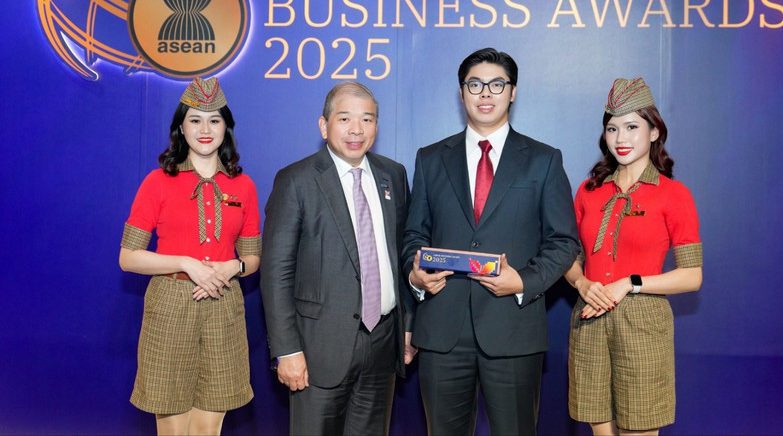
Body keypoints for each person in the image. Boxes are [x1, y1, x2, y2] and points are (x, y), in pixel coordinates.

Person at [402, 47, 580, 435]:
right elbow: (414, 234)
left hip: (513, 330)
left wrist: (524, 282)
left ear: (512, 92)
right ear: (461, 92)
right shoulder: (431, 159)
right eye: (475, 84)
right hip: (442, 330)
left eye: (496, 84)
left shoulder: (543, 159)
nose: (486, 94)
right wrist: (415, 276)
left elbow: (564, 242)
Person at [260, 81, 415, 436]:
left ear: (377, 126)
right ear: (323, 125)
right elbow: (276, 273)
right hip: (318, 350)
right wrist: (287, 350)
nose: (356, 129)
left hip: (383, 342)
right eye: (345, 118)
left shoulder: (393, 175)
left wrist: (409, 324)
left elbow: (401, 254)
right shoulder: (296, 180)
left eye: (367, 119)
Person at [119, 77, 261, 435]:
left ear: (226, 127)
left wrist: (234, 267)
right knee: (172, 426)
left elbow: (253, 259)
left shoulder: (242, 185)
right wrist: (185, 263)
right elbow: (128, 257)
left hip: (223, 304)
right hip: (170, 304)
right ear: (180, 127)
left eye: (214, 120)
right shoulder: (158, 181)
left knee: (208, 428)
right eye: (195, 119)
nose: (205, 129)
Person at [564, 78, 703, 435]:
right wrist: (580, 282)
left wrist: (630, 284)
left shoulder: (674, 195)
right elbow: (567, 256)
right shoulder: (589, 191)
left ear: (654, 132)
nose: (621, 138)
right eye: (612, 128)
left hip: (643, 320)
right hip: (590, 315)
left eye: (631, 127)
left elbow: (692, 276)